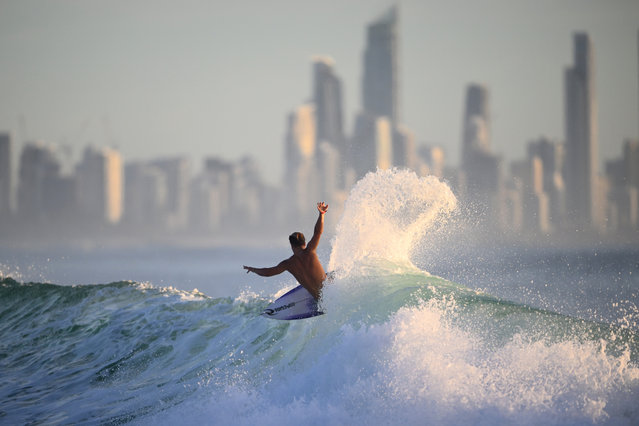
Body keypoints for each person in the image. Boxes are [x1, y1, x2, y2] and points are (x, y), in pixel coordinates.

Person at [243, 202, 329, 300]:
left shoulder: (288, 264)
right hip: (330, 294)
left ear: (291, 245)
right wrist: (321, 214)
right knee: (333, 277)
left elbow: (268, 272)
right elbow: (318, 232)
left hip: (319, 300)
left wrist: (253, 269)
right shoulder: (310, 251)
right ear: (304, 243)